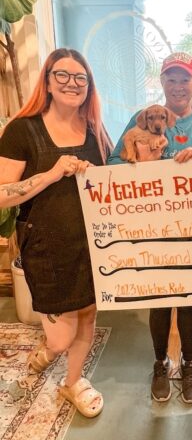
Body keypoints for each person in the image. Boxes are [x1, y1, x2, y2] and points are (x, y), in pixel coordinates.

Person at [109, 52, 192, 404]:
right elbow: (111, 163)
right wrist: (141, 162)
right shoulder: (142, 120)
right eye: (171, 79)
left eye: (184, 79)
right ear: (162, 83)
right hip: (153, 229)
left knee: (189, 301)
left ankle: (189, 364)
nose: (178, 86)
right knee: (159, 300)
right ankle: (160, 363)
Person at [0, 48, 112, 418]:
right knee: (61, 337)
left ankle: (72, 382)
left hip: (92, 243)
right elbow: (1, 195)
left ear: (88, 85)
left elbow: (113, 179)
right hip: (47, 247)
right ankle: (49, 351)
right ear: (47, 81)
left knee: (88, 316)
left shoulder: (94, 128)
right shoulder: (22, 129)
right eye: (61, 75)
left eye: (80, 77)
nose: (71, 83)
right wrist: (51, 174)